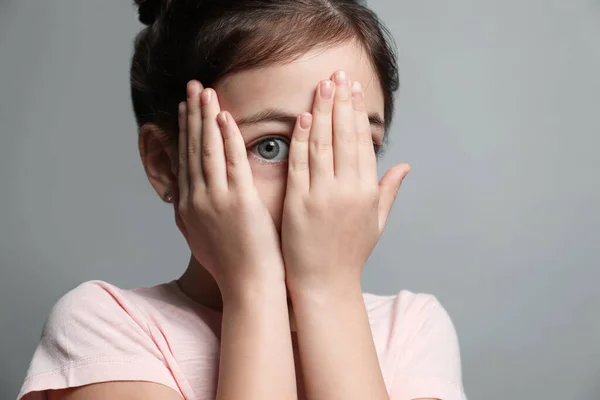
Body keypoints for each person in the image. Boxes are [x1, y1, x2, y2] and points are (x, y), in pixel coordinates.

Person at [18, 1, 467, 399]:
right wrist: (253, 288)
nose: (317, 191)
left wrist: (328, 292)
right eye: (271, 146)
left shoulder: (410, 330)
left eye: (351, 145)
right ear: (164, 163)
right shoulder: (105, 330)